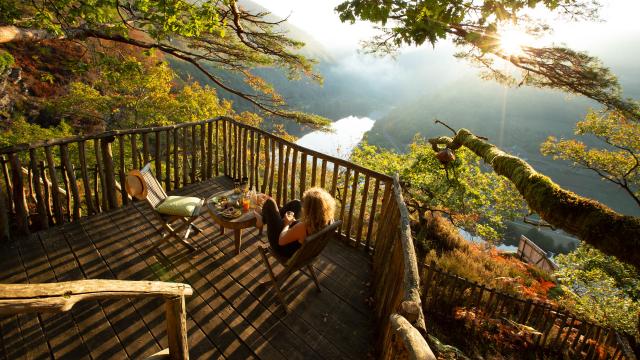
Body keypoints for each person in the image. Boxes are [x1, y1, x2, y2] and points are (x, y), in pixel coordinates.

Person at [255, 187, 336, 258]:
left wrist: (287, 224)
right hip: (299, 246)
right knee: (296, 204)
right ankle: (265, 217)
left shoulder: (304, 227)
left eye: (305, 204)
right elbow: (300, 230)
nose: (303, 206)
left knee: (270, 202)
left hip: (281, 246)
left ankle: (262, 219)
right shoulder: (328, 221)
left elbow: (281, 241)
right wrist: (295, 222)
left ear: (310, 210)